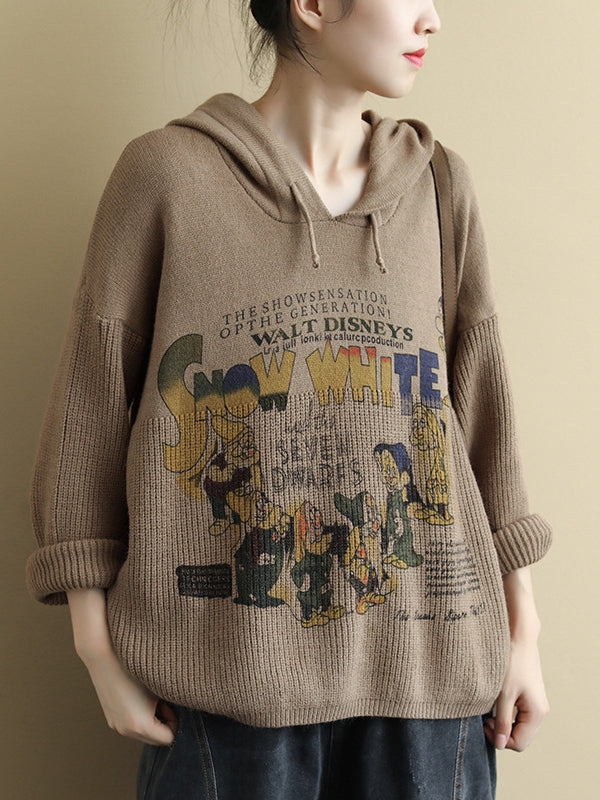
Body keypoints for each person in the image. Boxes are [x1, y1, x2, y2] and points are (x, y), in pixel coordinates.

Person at [25, 1, 553, 798]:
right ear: (311, 4)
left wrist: (524, 632)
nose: (433, 18)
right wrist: (96, 647)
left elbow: (482, 421)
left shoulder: (440, 187)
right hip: (225, 688)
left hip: (431, 688)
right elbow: (88, 411)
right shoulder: (166, 177)